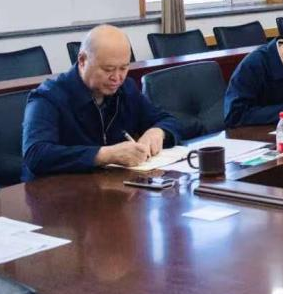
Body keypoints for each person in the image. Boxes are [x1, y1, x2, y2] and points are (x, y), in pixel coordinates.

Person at [21, 25, 182, 180]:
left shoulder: (126, 89)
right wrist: (104, 155)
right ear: (82, 60)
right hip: (56, 191)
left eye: (123, 68)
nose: (117, 78)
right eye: (108, 69)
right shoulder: (48, 97)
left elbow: (169, 120)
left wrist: (158, 131)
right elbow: (36, 154)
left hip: (110, 185)